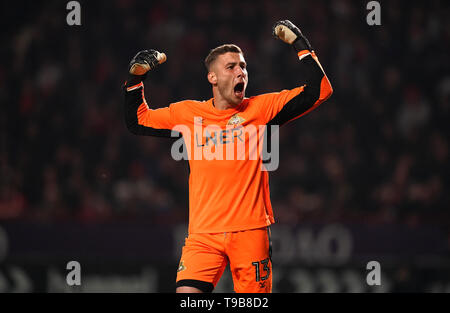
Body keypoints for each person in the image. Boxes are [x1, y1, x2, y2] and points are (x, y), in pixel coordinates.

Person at [123, 20, 332, 293]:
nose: (240, 72)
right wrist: (135, 78)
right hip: (203, 234)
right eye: (231, 67)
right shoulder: (189, 114)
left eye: (243, 66)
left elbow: (320, 90)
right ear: (212, 77)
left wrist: (300, 44)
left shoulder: (260, 109)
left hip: (250, 232)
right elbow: (138, 121)